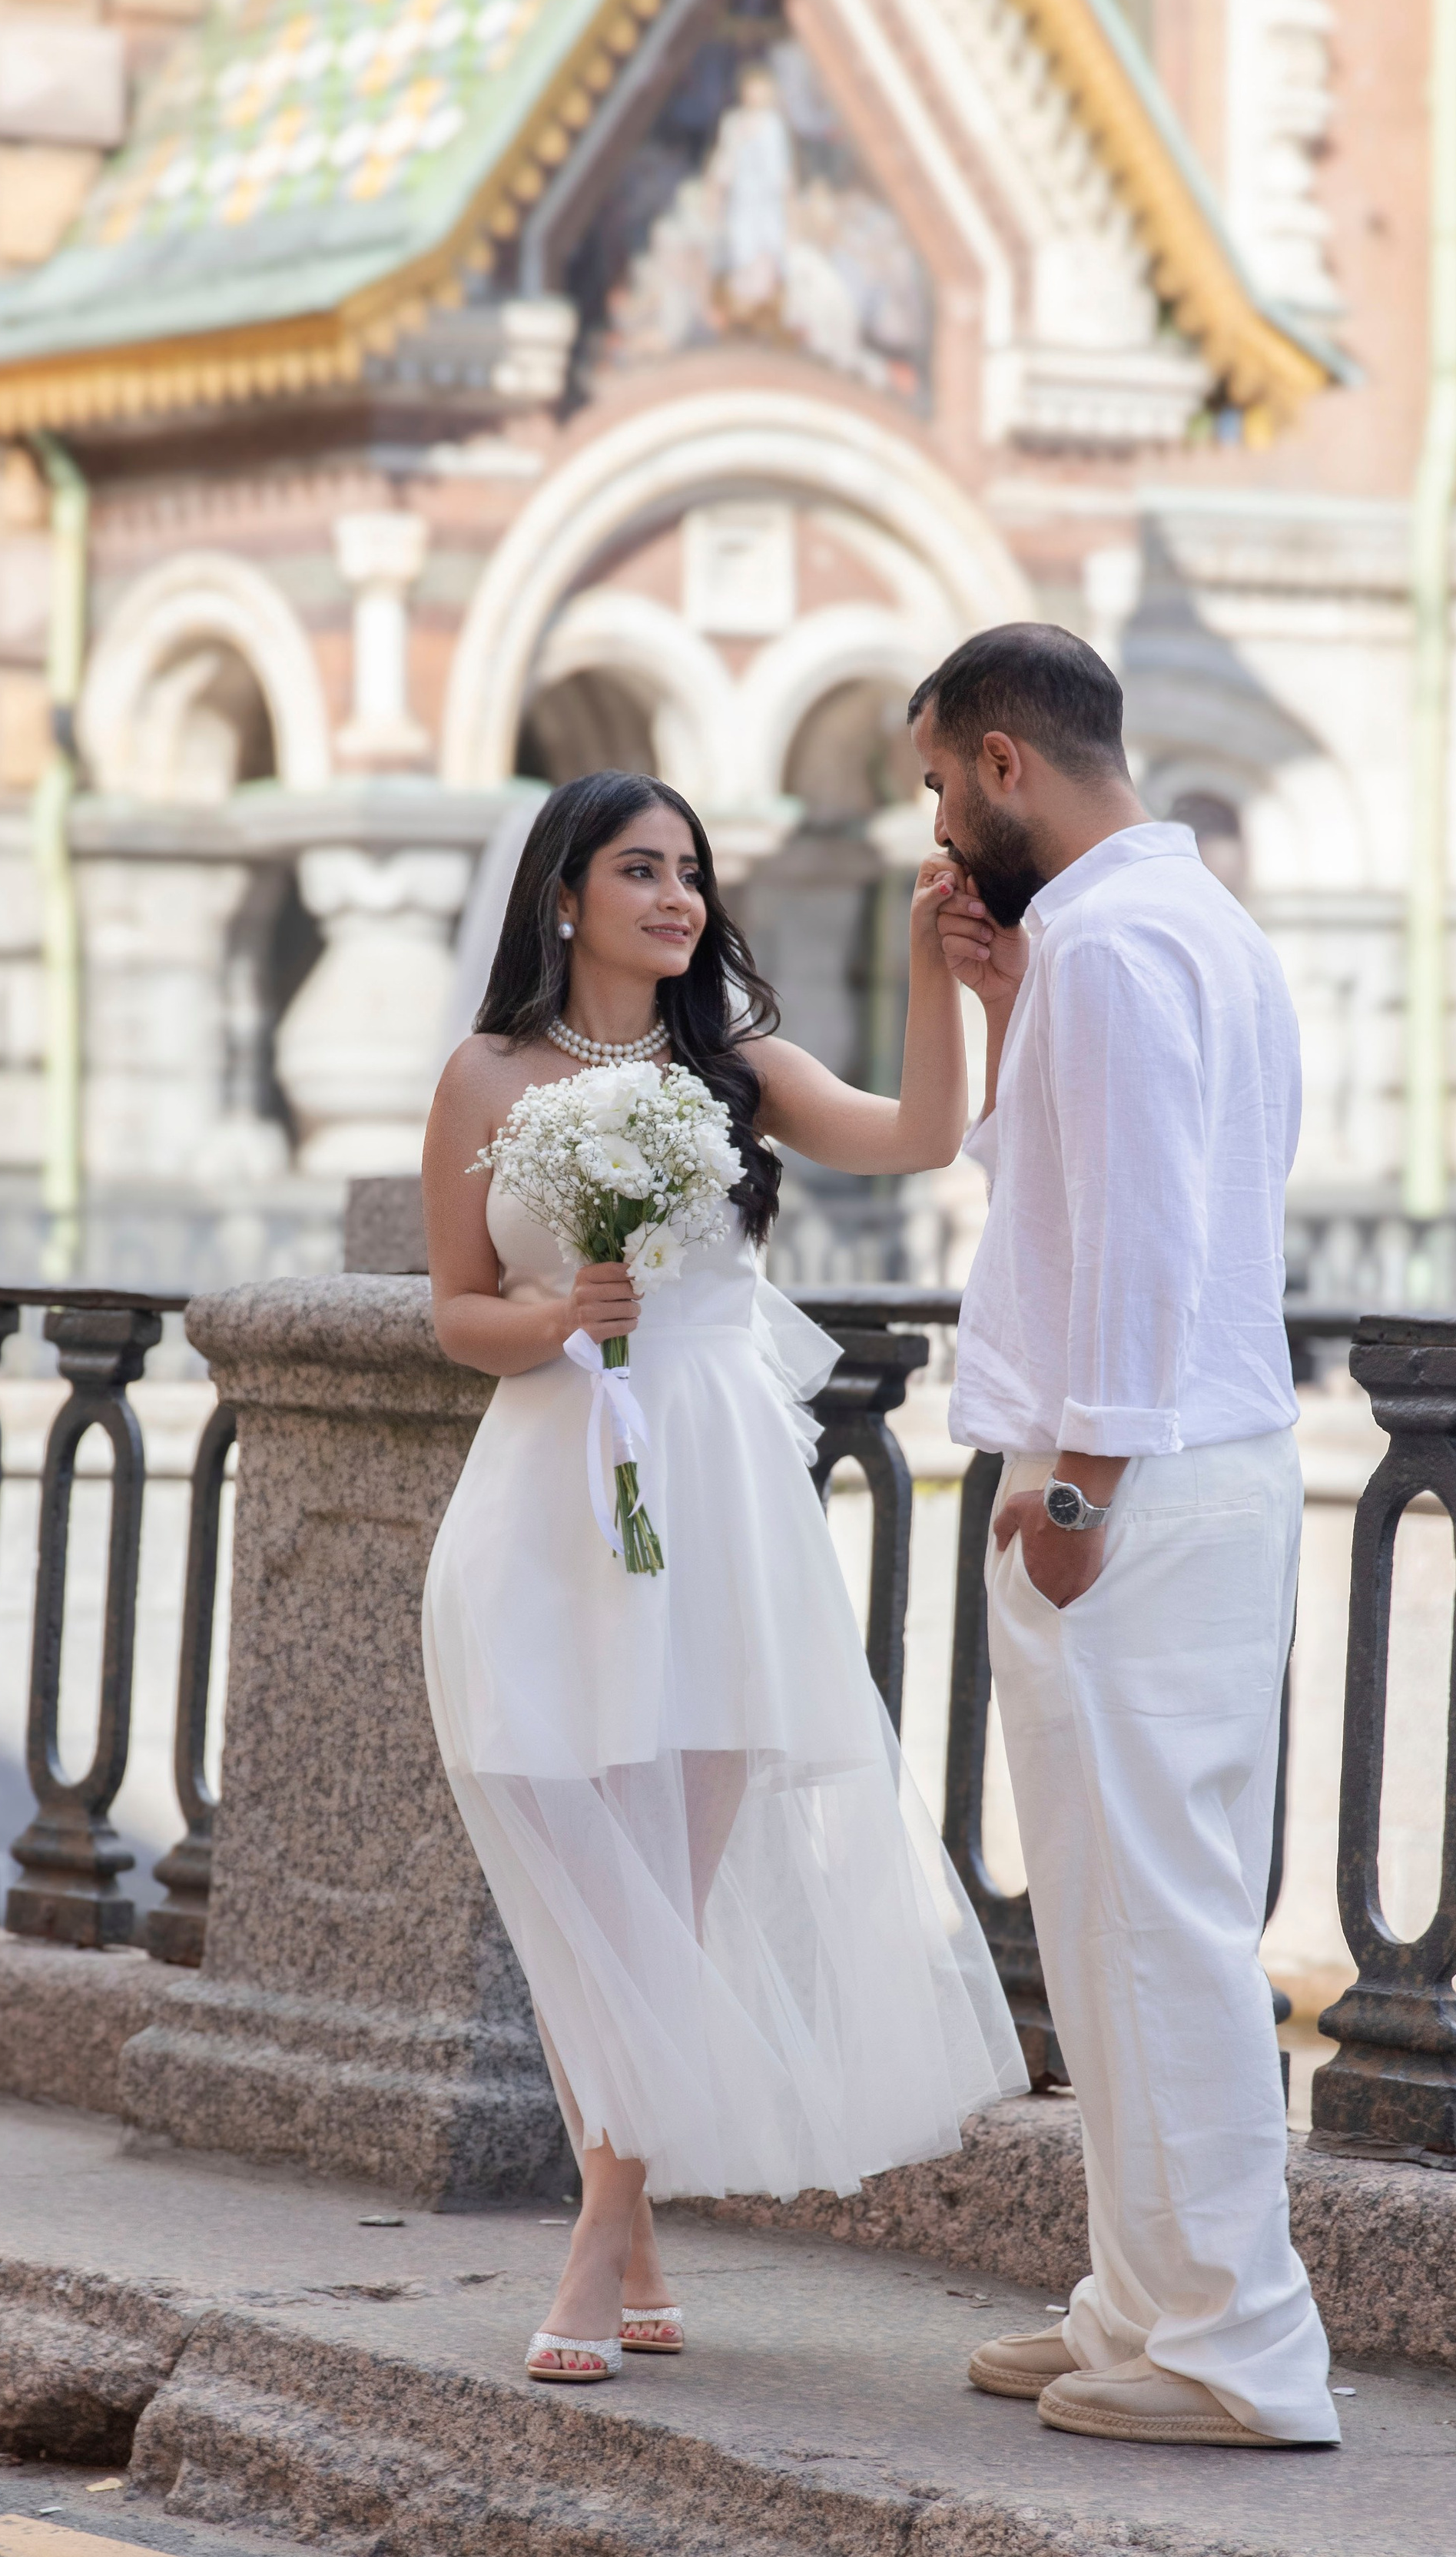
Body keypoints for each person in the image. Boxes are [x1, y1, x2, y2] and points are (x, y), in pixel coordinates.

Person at [420, 768, 1027, 2385]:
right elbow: (455, 1311)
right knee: (575, 1886)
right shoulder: (481, 1075)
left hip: (709, 1492)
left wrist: (924, 958)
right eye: (639, 869)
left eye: (689, 871)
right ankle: (630, 2226)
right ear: (564, 895)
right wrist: (561, 1318)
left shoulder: (732, 1065)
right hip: (548, 1487)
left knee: (664, 1892)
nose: (676, 898)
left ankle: (588, 2243)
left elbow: (920, 1137)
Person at [913, 622, 1341, 2450]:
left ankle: (1231, 2348)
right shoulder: (1173, 928)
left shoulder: (1108, 939)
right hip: (1194, 1467)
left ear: (1006, 762)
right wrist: (1001, 1001)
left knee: (1149, 1922)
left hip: (1132, 1486)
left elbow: (1150, 1237)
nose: (933, 823)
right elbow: (1078, 1184)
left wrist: (1078, 1480)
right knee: (1111, 1918)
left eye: (940, 781)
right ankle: (1139, 2304)